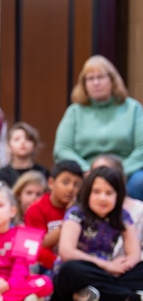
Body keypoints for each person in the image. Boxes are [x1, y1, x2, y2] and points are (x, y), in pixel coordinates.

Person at [53, 55, 143, 201]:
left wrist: (118, 172)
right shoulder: (74, 112)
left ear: (112, 80)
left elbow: (141, 149)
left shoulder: (133, 109)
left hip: (127, 171)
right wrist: (88, 170)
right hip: (85, 171)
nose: (95, 83)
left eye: (100, 77)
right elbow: (62, 149)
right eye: (90, 78)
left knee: (140, 182)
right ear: (84, 84)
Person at [52, 166, 143, 301]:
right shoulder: (76, 213)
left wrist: (124, 266)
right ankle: (130, 297)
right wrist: (107, 266)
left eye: (109, 193)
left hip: (105, 275)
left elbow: (134, 253)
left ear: (118, 196)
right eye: (96, 192)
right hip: (83, 270)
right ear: (88, 193)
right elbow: (66, 252)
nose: (102, 198)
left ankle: (95, 295)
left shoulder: (122, 216)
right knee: (72, 270)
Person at [23, 160, 84, 273]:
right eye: (65, 182)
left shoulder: (82, 210)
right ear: (51, 183)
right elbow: (36, 247)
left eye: (76, 185)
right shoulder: (35, 209)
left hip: (75, 265)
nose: (71, 188)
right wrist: (68, 221)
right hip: (47, 267)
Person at [0, 122, 48, 187]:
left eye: (28, 139)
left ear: (34, 145)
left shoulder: (43, 173)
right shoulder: (2, 175)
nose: (23, 142)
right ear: (9, 146)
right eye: (17, 139)